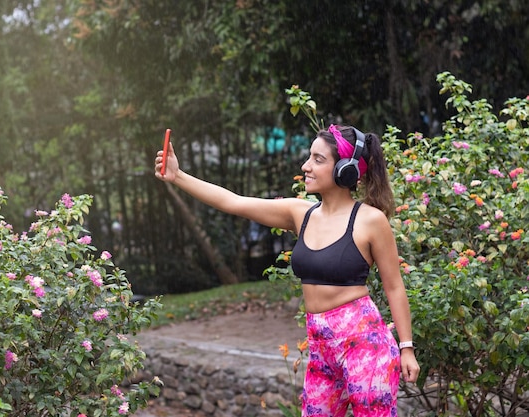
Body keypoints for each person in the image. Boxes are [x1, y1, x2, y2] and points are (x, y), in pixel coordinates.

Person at [154, 124, 420, 417]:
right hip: (321, 350)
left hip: (364, 347)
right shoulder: (299, 213)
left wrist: (406, 347)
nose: (306, 166)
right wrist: (178, 177)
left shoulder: (370, 221)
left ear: (345, 169)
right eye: (310, 157)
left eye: (318, 160)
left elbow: (394, 286)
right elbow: (234, 202)